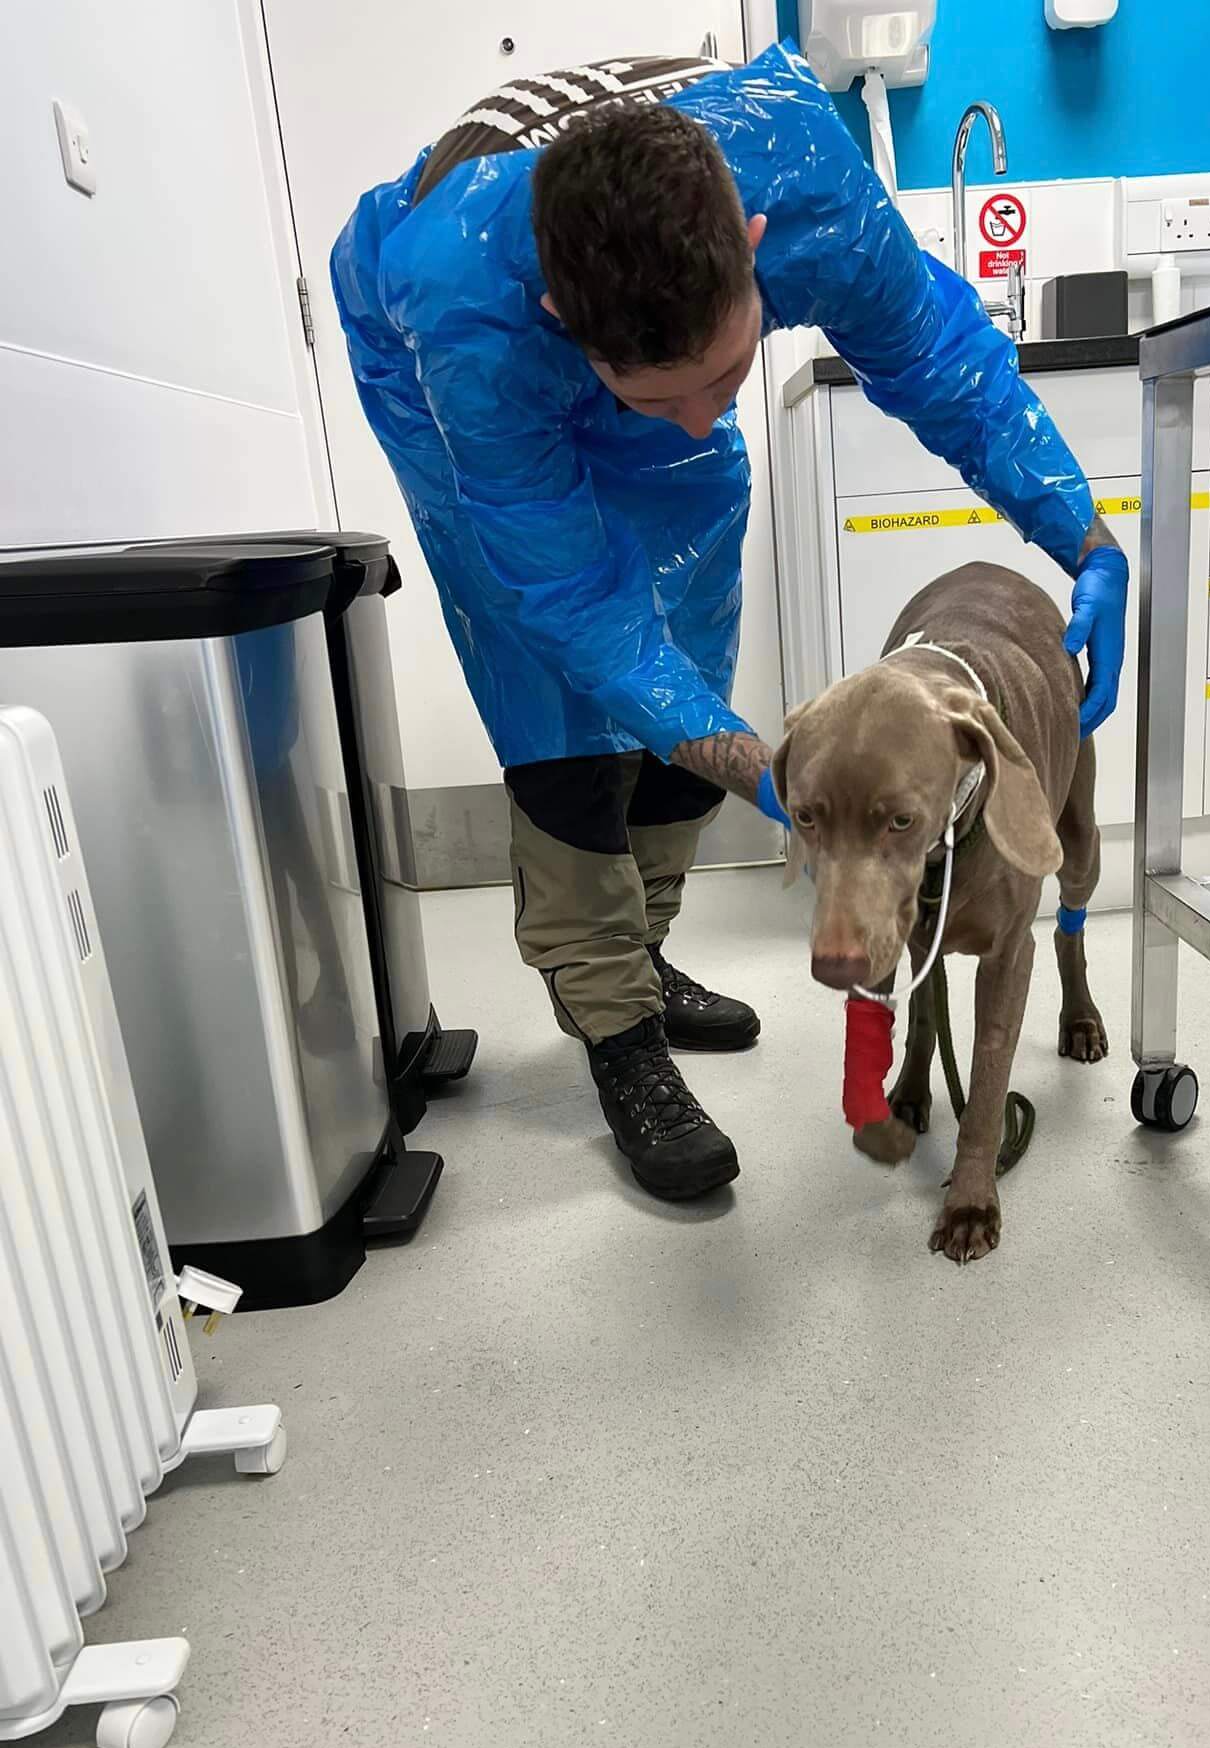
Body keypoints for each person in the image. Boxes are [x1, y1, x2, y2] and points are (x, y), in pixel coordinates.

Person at [332, 44, 1128, 1205]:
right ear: (565, 318)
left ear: (757, 248)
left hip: (652, 285)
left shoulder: (804, 171)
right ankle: (617, 1032)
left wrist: (1084, 538)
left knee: (694, 637)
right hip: (420, 344)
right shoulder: (474, 324)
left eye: (725, 372)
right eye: (658, 398)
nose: (703, 419)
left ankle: (646, 955)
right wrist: (769, 771)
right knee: (557, 686)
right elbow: (578, 610)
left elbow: (944, 360)